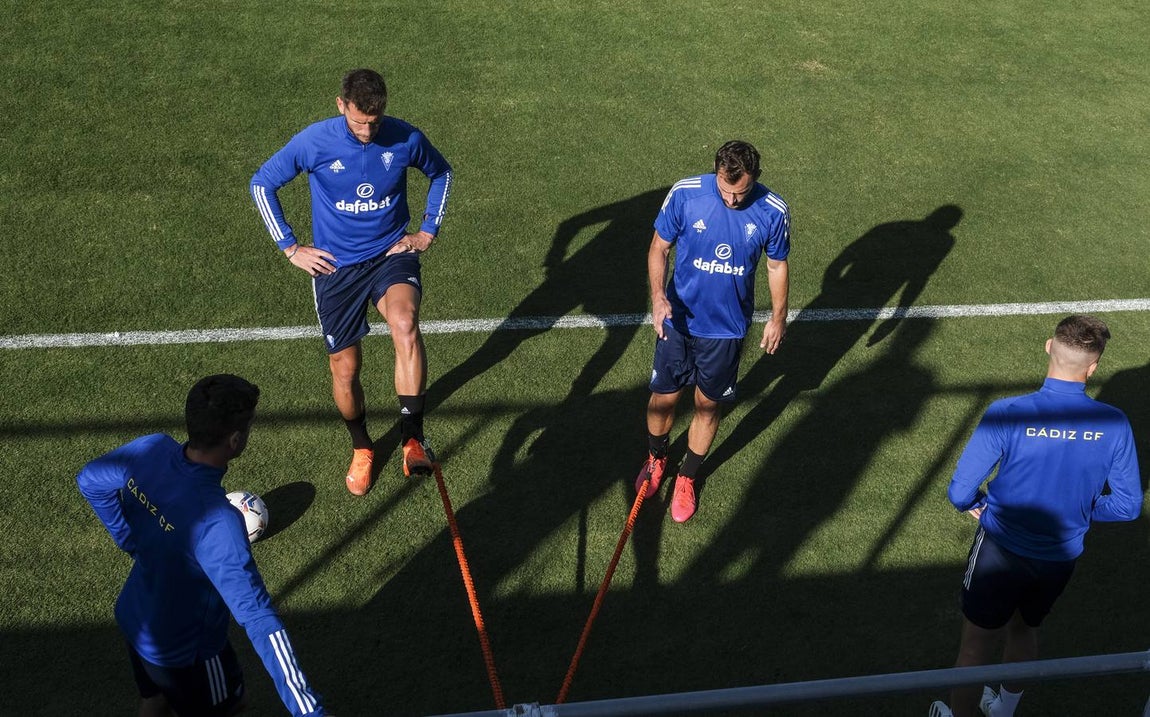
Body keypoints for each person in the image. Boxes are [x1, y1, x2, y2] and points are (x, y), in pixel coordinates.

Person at [250, 68, 453, 495]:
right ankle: (362, 447)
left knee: (405, 323)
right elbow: (262, 184)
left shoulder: (405, 138)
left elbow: (442, 173)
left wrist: (427, 231)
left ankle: (412, 436)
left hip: (389, 255)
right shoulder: (314, 141)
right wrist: (290, 247)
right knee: (346, 367)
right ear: (341, 105)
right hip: (336, 268)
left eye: (374, 122)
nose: (366, 130)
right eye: (359, 121)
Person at [929, 315, 1143, 717]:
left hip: (1000, 551)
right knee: (1025, 629)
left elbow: (959, 491)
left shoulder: (1008, 411)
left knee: (976, 645)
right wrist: (1078, 506)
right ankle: (1005, 711)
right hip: (1058, 560)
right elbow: (1128, 505)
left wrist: (975, 505)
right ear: (1093, 368)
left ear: (1049, 347)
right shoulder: (1114, 424)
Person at [76, 375, 325, 716]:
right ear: (235, 440)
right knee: (233, 706)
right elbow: (258, 618)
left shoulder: (151, 448)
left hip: (135, 617)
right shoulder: (218, 524)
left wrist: (131, 541)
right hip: (186, 652)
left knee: (154, 699)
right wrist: (309, 711)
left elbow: (90, 480)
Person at [635, 140, 791, 522]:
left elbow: (775, 266)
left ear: (755, 179)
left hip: (726, 331)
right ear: (716, 172)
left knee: (707, 406)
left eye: (742, 192)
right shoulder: (686, 194)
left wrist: (778, 317)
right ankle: (656, 458)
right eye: (726, 190)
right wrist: (657, 297)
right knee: (663, 401)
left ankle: (687, 476)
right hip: (679, 321)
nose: (733, 200)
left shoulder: (773, 211)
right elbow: (659, 248)